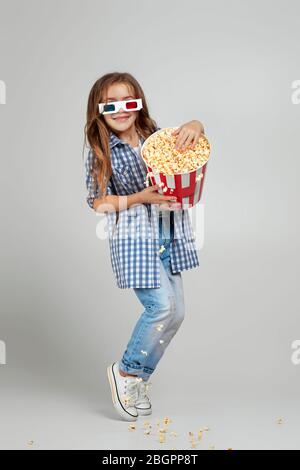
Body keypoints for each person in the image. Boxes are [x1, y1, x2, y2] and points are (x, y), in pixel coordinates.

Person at [84, 72, 205, 421]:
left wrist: (196, 124)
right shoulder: (101, 148)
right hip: (136, 239)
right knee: (161, 307)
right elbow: (97, 203)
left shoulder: (158, 138)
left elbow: (194, 139)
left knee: (177, 313)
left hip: (169, 232)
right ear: (99, 110)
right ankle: (124, 370)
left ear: (140, 104)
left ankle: (138, 379)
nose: (121, 110)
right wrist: (140, 197)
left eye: (129, 102)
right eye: (111, 105)